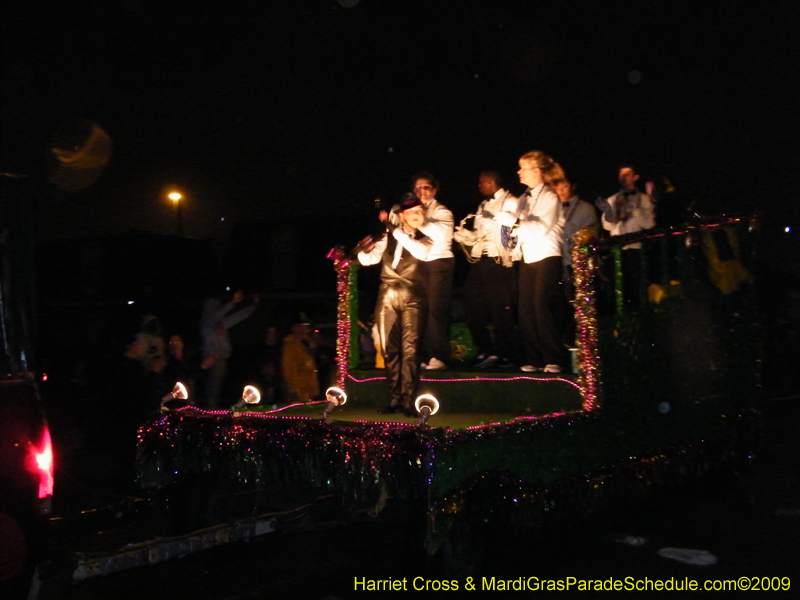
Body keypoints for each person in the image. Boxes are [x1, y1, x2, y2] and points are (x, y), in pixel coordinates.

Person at [358, 194, 432, 416]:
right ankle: (394, 398)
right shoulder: (387, 237)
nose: (418, 215)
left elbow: (421, 252)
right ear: (402, 215)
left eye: (420, 212)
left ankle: (408, 399)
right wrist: (366, 249)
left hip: (413, 297)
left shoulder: (424, 238)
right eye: (413, 212)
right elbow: (367, 260)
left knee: (410, 349)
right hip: (388, 295)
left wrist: (395, 230)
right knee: (391, 349)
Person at [496, 151, 566, 374]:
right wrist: (506, 236)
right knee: (525, 309)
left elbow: (541, 228)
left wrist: (514, 222)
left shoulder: (551, 197)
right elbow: (517, 231)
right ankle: (534, 358)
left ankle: (553, 357)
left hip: (547, 255)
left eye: (523, 168)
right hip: (528, 257)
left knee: (541, 306)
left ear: (536, 171)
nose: (519, 172)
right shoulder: (524, 198)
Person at [453, 170, 518, 369]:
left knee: (501, 309)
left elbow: (512, 232)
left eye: (482, 182)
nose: (479, 185)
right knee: (473, 305)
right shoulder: (483, 205)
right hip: (481, 260)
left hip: (499, 259)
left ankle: (505, 354)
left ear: (492, 182)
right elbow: (479, 234)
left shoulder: (511, 201)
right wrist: (467, 236)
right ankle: (486, 349)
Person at [408, 172, 455, 371]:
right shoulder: (411, 211)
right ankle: (425, 354)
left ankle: (440, 355)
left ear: (434, 190)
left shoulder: (443, 211)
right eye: (418, 188)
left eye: (426, 187)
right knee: (421, 311)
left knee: (436, 310)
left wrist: (420, 220)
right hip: (419, 263)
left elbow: (442, 234)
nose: (422, 192)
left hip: (438, 263)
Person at [596, 165, 656, 307]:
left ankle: (641, 313)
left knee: (638, 285)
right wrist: (609, 213)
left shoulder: (644, 199)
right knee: (620, 286)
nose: (624, 177)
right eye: (621, 174)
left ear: (635, 177)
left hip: (637, 249)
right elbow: (608, 226)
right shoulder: (612, 199)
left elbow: (649, 224)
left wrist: (634, 211)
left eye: (628, 174)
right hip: (617, 250)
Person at [199, 290, 259, 408]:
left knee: (217, 390)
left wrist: (253, 306)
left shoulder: (221, 323)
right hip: (210, 360)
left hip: (221, 359)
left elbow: (238, 317)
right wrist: (232, 303)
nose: (218, 308)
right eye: (216, 306)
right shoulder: (207, 321)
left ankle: (215, 410)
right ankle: (209, 413)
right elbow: (215, 315)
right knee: (210, 391)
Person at [281, 321, 320, 403]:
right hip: (299, 387)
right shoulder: (290, 345)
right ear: (294, 328)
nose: (305, 328)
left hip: (308, 386)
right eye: (301, 326)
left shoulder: (306, 342)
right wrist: (292, 389)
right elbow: (288, 368)